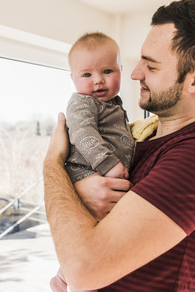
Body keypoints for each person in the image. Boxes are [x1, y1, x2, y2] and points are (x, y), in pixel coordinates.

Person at [44, 0, 195, 291]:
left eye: (150, 66)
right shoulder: (137, 137)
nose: (134, 73)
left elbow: (84, 270)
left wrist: (52, 164)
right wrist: (78, 190)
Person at [50, 32, 135, 292]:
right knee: (88, 237)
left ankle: (69, 277)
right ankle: (67, 278)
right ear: (73, 78)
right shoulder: (82, 103)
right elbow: (82, 133)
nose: (98, 80)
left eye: (107, 70)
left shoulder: (115, 106)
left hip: (103, 178)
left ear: (121, 70)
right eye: (86, 75)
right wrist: (107, 163)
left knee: (97, 237)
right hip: (84, 173)